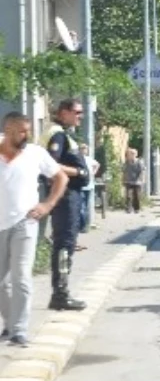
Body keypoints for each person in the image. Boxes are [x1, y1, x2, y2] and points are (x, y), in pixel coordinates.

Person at [0, 112, 69, 345]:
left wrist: (47, 204)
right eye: (22, 131)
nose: (27, 135)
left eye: (28, 130)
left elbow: (61, 177)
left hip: (25, 222)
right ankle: (10, 325)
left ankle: (19, 330)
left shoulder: (35, 153)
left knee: (20, 276)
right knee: (1, 283)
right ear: (8, 130)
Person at [41, 99, 90, 312]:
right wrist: (79, 172)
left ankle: (61, 292)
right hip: (65, 195)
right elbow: (50, 165)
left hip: (71, 195)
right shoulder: (57, 134)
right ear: (63, 112)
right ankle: (60, 294)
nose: (81, 116)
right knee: (65, 243)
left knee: (67, 243)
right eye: (77, 112)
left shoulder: (63, 133)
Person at [79, 143, 99, 234]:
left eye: (85, 149)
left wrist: (93, 173)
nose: (83, 150)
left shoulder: (89, 159)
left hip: (88, 186)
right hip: (80, 186)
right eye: (82, 148)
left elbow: (97, 165)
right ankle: (82, 225)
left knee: (84, 207)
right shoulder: (78, 159)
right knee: (81, 207)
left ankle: (84, 225)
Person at [122, 148, 145, 213]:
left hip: (137, 182)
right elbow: (124, 171)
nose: (132, 155)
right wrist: (123, 179)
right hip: (128, 181)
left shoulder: (139, 162)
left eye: (133, 153)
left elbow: (142, 171)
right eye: (131, 153)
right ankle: (128, 208)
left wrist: (142, 179)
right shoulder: (127, 162)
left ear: (136, 154)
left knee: (136, 196)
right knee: (128, 196)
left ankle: (137, 209)